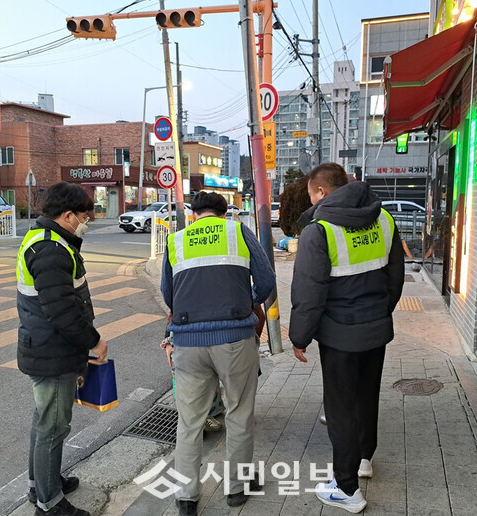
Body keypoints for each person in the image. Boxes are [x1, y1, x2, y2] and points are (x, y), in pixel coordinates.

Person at [289, 163, 404, 514]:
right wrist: (380, 312)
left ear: (322, 192)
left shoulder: (319, 231)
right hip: (376, 329)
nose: (312, 201)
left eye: (311, 195)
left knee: (340, 409)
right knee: (367, 397)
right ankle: (364, 458)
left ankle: (346, 488)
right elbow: (395, 277)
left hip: (339, 335)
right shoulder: (384, 220)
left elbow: (309, 293)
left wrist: (299, 337)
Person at [161, 191, 276, 516]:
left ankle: (186, 497)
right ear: (224, 214)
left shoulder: (176, 240)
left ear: (194, 215)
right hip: (235, 339)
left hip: (188, 342)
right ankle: (237, 489)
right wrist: (245, 301)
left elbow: (169, 295)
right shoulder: (238, 231)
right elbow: (266, 280)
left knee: (190, 421)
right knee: (239, 413)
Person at [16, 182, 108, 516]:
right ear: (68, 215)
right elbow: (62, 310)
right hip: (52, 353)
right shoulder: (51, 249)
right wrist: (94, 341)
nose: (87, 222)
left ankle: (40, 484)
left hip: (46, 348)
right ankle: (49, 504)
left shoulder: (47, 240)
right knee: (52, 429)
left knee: (44, 424)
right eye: (84, 216)